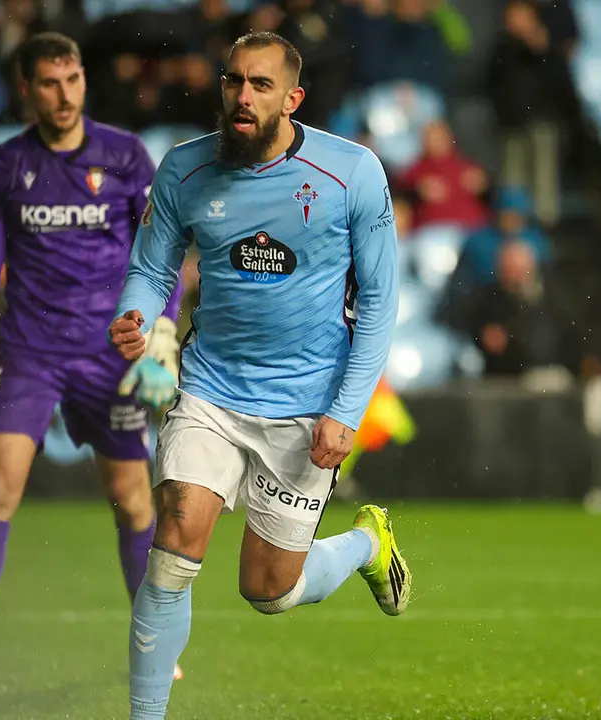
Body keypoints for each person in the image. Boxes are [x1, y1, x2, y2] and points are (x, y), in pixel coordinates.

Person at [108, 31, 410, 720]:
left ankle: (367, 542)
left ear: (292, 98)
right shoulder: (183, 170)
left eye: (260, 85)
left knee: (270, 592)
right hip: (209, 389)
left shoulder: (351, 173)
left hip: (306, 408)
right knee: (175, 540)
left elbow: (381, 303)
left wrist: (347, 411)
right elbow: (152, 267)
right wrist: (133, 313)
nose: (242, 97)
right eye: (233, 81)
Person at [0, 31, 186, 686]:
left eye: (72, 80)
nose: (64, 94)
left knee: (131, 501)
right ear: (27, 89)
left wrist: (161, 333)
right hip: (31, 351)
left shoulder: (125, 156)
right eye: (49, 82)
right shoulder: (5, 166)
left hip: (109, 354)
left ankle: (154, 643)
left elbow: (158, 254)